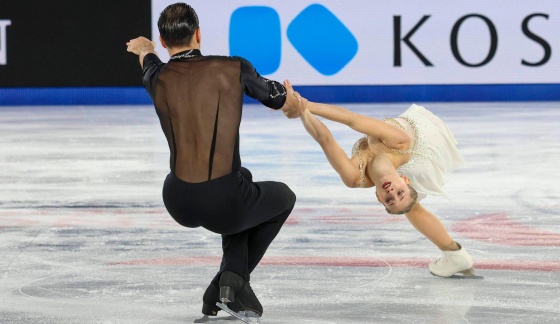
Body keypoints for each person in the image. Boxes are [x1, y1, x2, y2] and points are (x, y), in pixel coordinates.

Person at [126, 3, 303, 319]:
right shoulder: (233, 68)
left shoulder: (157, 77)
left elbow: (147, 59)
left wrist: (144, 48)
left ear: (165, 42)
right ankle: (232, 281)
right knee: (283, 197)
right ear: (198, 34)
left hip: (177, 198)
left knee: (241, 178)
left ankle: (220, 291)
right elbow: (276, 97)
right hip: (222, 200)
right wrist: (290, 102)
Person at [282, 80, 475, 277]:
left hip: (398, 159)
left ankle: (455, 254)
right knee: (409, 205)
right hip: (425, 135)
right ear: (405, 180)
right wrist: (303, 104)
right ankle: (455, 254)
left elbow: (324, 138)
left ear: (378, 197)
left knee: (408, 206)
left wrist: (300, 111)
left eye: (389, 199)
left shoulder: (354, 177)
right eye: (399, 192)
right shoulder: (400, 142)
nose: (392, 192)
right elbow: (352, 119)